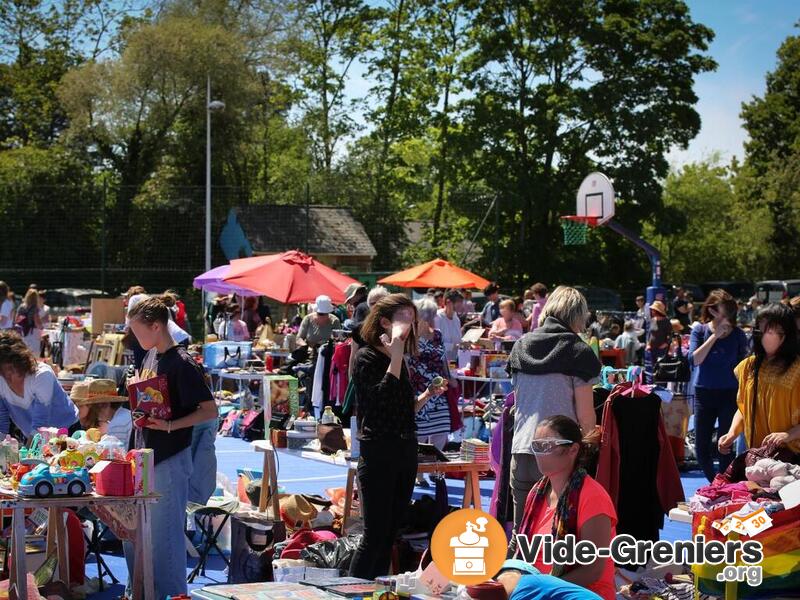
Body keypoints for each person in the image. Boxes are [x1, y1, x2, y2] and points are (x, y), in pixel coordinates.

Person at [125, 296, 218, 599]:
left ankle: (175, 595)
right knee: (141, 534)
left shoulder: (182, 362)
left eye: (139, 332)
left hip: (170, 457)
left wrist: (168, 426)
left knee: (166, 539)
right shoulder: (155, 356)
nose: (135, 339)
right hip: (151, 455)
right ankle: (144, 590)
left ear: (155, 326)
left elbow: (209, 410)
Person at [348, 294, 446, 579]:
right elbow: (379, 400)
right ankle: (351, 591)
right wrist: (397, 356)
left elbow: (402, 410)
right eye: (404, 317)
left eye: (411, 318)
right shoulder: (366, 357)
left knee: (391, 533)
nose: (410, 323)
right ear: (384, 322)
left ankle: (373, 592)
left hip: (404, 448)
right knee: (374, 535)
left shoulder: (399, 359)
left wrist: (426, 395)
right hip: (378, 451)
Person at [507, 286, 601, 549]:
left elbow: (517, 401)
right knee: (557, 541)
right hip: (558, 455)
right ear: (576, 316)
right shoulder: (578, 351)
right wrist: (591, 443)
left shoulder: (520, 346)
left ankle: (512, 587)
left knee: (521, 536)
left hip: (522, 449)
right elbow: (585, 414)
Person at [512, 416, 616, 600]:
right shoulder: (536, 492)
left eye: (547, 445)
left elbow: (593, 570)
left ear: (573, 450)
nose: (539, 453)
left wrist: (541, 590)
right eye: (536, 446)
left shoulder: (593, 497)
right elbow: (522, 550)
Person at [719, 303, 800, 457]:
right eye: (760, 330)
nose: (763, 336)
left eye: (770, 331)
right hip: (757, 457)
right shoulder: (748, 366)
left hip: (792, 460)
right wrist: (732, 433)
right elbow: (744, 407)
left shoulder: (798, 369)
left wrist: (789, 435)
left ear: (786, 334)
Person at [689, 290, 749, 482]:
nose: (725, 317)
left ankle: (724, 484)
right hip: (703, 393)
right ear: (713, 310)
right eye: (721, 312)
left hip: (729, 393)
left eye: (728, 312)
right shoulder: (699, 330)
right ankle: (715, 483)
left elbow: (745, 365)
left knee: (725, 444)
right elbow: (695, 359)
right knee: (701, 447)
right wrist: (714, 336)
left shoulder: (739, 335)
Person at [0, 331, 79, 439]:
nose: (8, 374)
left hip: (67, 431)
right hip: (32, 436)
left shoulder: (42, 376)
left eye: (10, 367)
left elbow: (40, 426)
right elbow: (2, 425)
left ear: (21, 360)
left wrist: (28, 453)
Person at [409, 298, 454, 486]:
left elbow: (443, 359)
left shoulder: (438, 335)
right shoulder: (409, 337)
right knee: (418, 434)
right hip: (418, 389)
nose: (432, 318)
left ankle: (435, 468)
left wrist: (449, 377)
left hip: (438, 390)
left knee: (441, 430)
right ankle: (418, 472)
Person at [71, 379, 132, 443]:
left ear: (104, 405)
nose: (93, 414)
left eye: (93, 408)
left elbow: (115, 451)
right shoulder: (124, 414)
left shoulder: (117, 424)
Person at [644, 300, 670, 383]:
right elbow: (649, 334)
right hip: (651, 348)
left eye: (653, 309)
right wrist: (648, 344)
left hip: (661, 349)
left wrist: (665, 344)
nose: (651, 311)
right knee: (651, 368)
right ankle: (652, 385)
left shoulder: (666, 321)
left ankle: (661, 385)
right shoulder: (652, 320)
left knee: (661, 368)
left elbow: (670, 335)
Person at [435, 289, 463, 362]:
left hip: (454, 363)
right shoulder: (437, 317)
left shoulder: (456, 319)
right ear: (448, 302)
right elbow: (434, 344)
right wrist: (453, 346)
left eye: (461, 301)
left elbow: (458, 340)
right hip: (439, 362)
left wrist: (465, 344)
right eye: (458, 302)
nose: (461, 304)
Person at [17, 289, 44, 356]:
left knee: (25, 351)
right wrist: (42, 328)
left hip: (23, 331)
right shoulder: (35, 308)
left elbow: (16, 319)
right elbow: (36, 321)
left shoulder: (21, 307)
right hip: (33, 331)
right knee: (35, 352)